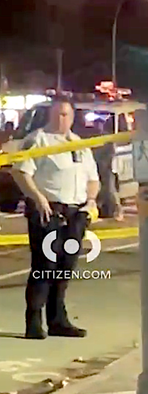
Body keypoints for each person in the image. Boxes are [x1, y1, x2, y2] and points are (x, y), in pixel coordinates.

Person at [10, 97, 99, 339]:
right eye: (59, 114)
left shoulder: (79, 144)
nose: (64, 119)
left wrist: (90, 202)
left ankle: (58, 319)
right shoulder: (38, 140)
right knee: (44, 266)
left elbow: (93, 179)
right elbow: (20, 172)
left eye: (67, 115)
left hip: (76, 212)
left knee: (65, 267)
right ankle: (34, 320)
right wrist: (38, 199)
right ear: (51, 115)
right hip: (48, 210)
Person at [93, 117, 123, 220]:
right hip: (97, 168)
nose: (97, 127)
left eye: (99, 124)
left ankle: (118, 210)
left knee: (110, 190)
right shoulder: (94, 137)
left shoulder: (107, 138)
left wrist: (105, 163)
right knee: (99, 191)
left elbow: (111, 153)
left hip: (107, 169)